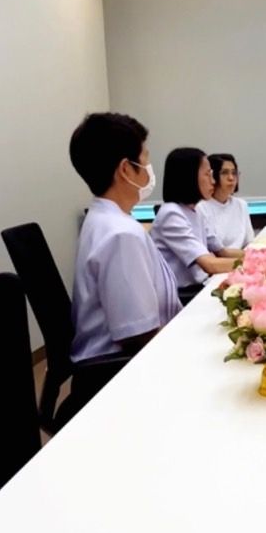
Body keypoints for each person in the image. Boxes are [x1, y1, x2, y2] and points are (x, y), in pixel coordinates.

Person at [68, 112, 181, 361]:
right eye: (145, 159)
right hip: (123, 369)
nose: (149, 169)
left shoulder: (106, 219)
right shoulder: (121, 235)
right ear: (126, 169)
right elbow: (139, 335)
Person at [150, 147, 245, 289]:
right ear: (189, 177)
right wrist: (253, 264)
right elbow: (210, 264)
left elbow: (222, 251)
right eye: (208, 174)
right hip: (185, 293)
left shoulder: (195, 210)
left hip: (201, 285)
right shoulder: (171, 214)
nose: (213, 181)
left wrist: (263, 255)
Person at [203, 152, 255, 250]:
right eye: (224, 173)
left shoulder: (241, 205)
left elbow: (250, 242)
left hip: (242, 257)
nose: (231, 178)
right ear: (213, 176)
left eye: (234, 173)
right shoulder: (202, 207)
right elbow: (212, 250)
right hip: (216, 259)